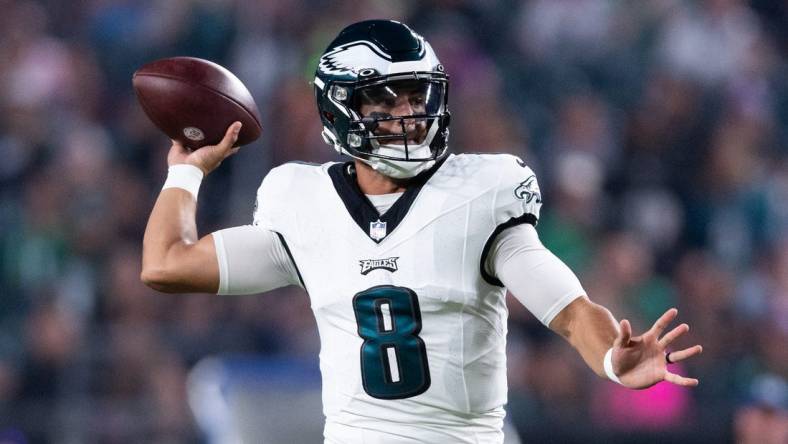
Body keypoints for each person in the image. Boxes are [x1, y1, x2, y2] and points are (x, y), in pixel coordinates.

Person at [141, 20, 703, 444]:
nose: (407, 114)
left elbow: (570, 307)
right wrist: (187, 169)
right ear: (340, 109)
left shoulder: (481, 193)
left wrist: (611, 358)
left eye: (415, 95)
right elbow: (165, 264)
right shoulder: (302, 202)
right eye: (385, 99)